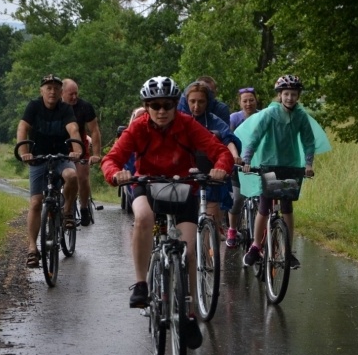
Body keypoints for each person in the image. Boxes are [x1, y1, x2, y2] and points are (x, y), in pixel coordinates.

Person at [101, 76, 233, 310]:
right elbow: (111, 159)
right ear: (147, 106)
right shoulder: (138, 127)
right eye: (155, 105)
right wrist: (115, 174)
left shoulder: (188, 124)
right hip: (147, 184)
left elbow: (220, 151)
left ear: (175, 105)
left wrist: (220, 169)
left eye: (167, 105)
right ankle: (141, 284)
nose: (161, 111)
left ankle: (190, 311)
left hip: (183, 187)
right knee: (143, 218)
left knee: (189, 252)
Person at [236, 74, 331, 269]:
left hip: (290, 166)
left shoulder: (301, 116)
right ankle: (255, 246)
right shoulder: (269, 115)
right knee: (264, 205)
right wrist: (246, 160)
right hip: (269, 165)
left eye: (293, 94)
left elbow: (308, 141)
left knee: (287, 207)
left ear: (298, 96)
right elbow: (255, 138)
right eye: (286, 94)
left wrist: (309, 164)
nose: (290, 98)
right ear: (280, 95)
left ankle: (288, 249)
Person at [16, 74, 83, 268]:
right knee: (36, 202)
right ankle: (32, 249)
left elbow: (73, 130)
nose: (52, 91)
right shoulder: (34, 107)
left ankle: (68, 211)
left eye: (56, 88)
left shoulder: (65, 109)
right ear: (42, 91)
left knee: (72, 176)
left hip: (62, 157)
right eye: (48, 88)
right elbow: (22, 128)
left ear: (61, 92)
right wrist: (24, 152)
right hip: (38, 158)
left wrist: (77, 151)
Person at [180, 81, 242, 228]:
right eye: (192, 101)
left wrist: (234, 155)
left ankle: (210, 246)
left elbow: (227, 138)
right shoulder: (179, 121)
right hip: (185, 173)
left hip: (210, 171)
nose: (196, 106)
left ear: (208, 102)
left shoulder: (214, 120)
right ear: (186, 101)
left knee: (212, 217)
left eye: (201, 102)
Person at [61, 78, 102, 227]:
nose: (74, 97)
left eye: (76, 94)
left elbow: (95, 130)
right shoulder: (54, 106)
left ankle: (84, 207)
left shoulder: (85, 107)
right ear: (62, 93)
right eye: (70, 94)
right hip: (59, 144)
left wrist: (96, 154)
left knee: (82, 177)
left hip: (80, 144)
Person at [226, 87, 261, 247]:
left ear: (256, 100)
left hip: (259, 164)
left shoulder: (263, 116)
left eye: (251, 100)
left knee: (263, 200)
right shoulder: (234, 119)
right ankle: (232, 230)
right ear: (239, 103)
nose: (248, 104)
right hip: (238, 165)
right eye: (245, 101)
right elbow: (229, 140)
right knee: (238, 199)